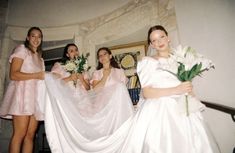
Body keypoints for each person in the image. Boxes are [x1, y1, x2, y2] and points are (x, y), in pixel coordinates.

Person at [0, 27, 45, 153]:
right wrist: (37, 75)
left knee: (30, 136)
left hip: (35, 99)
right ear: (28, 38)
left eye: (39, 36)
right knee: (19, 134)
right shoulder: (22, 49)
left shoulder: (40, 58)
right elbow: (13, 74)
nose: (36, 39)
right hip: (22, 96)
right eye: (33, 36)